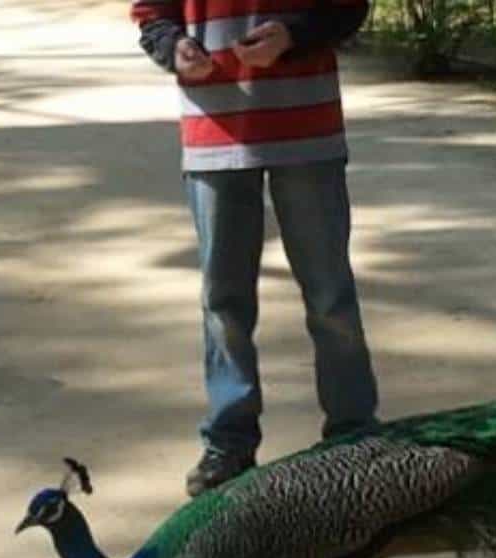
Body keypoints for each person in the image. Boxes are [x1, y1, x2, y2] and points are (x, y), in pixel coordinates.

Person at [130, 0, 379, 497]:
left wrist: (292, 35)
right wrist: (173, 47)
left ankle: (353, 432)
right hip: (214, 134)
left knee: (330, 295)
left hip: (307, 130)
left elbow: (350, 7)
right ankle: (230, 439)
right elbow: (151, 13)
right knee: (224, 301)